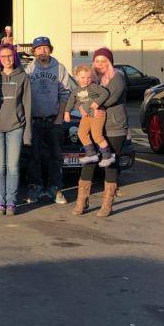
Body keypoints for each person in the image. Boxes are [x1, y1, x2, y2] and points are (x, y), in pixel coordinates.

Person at [75, 48, 129, 218]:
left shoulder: (117, 77)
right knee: (90, 161)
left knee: (110, 163)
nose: (100, 64)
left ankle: (107, 204)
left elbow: (110, 98)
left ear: (110, 62)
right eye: (97, 61)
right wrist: (80, 106)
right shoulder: (92, 79)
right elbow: (80, 96)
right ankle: (82, 200)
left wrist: (88, 107)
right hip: (96, 125)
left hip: (114, 127)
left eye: (104, 61)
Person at [26, 36, 73, 205]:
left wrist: (60, 117)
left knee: (56, 157)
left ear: (50, 50)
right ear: (34, 51)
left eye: (45, 48)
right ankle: (36, 187)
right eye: (39, 48)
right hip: (35, 120)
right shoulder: (29, 69)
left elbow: (65, 93)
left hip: (54, 120)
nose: (42, 51)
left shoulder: (60, 68)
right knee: (34, 157)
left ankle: (55, 188)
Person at [0, 42, 32, 216]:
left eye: (10, 56)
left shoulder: (23, 77)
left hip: (16, 127)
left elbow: (27, 106)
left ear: (14, 57)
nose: (7, 59)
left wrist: (27, 134)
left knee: (13, 166)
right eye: (3, 56)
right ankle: (0, 202)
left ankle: (11, 202)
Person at [67, 65, 115, 167]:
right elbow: (71, 101)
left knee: (97, 135)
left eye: (89, 77)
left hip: (97, 114)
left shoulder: (93, 87)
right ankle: (91, 154)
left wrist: (97, 102)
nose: (86, 80)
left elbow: (105, 93)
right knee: (81, 133)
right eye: (83, 77)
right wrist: (67, 112)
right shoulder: (76, 90)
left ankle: (108, 156)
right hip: (87, 116)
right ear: (77, 77)